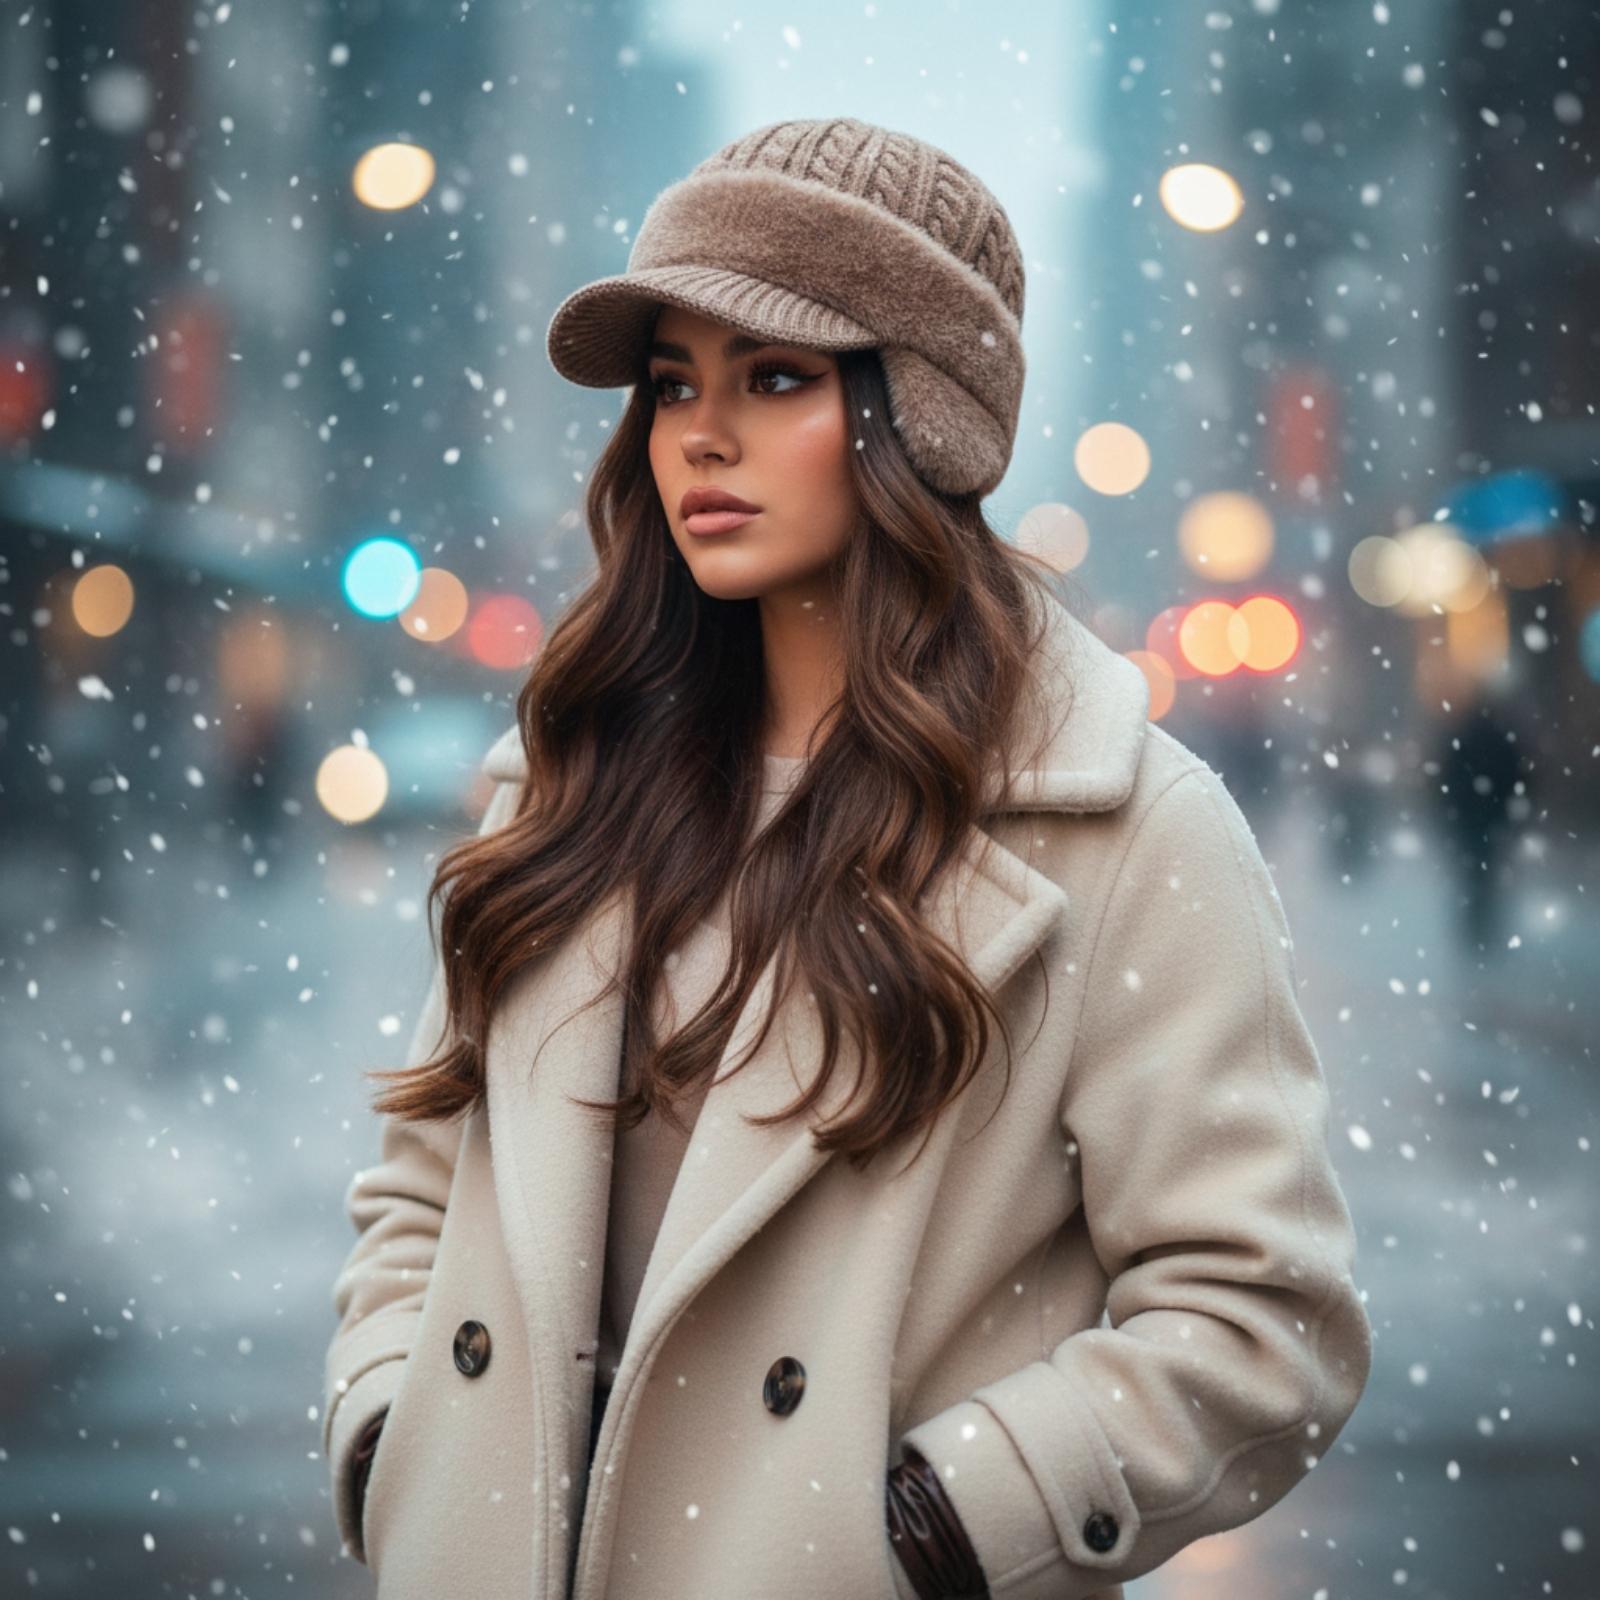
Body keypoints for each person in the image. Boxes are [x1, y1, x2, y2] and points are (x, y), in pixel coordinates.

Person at [321, 117, 1371, 1600]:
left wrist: (935, 1530)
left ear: (921, 415)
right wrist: (391, 1434)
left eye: (777, 377)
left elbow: (1262, 1326)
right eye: (674, 382)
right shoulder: (571, 779)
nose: (700, 432)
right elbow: (422, 1194)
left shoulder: (1125, 830)